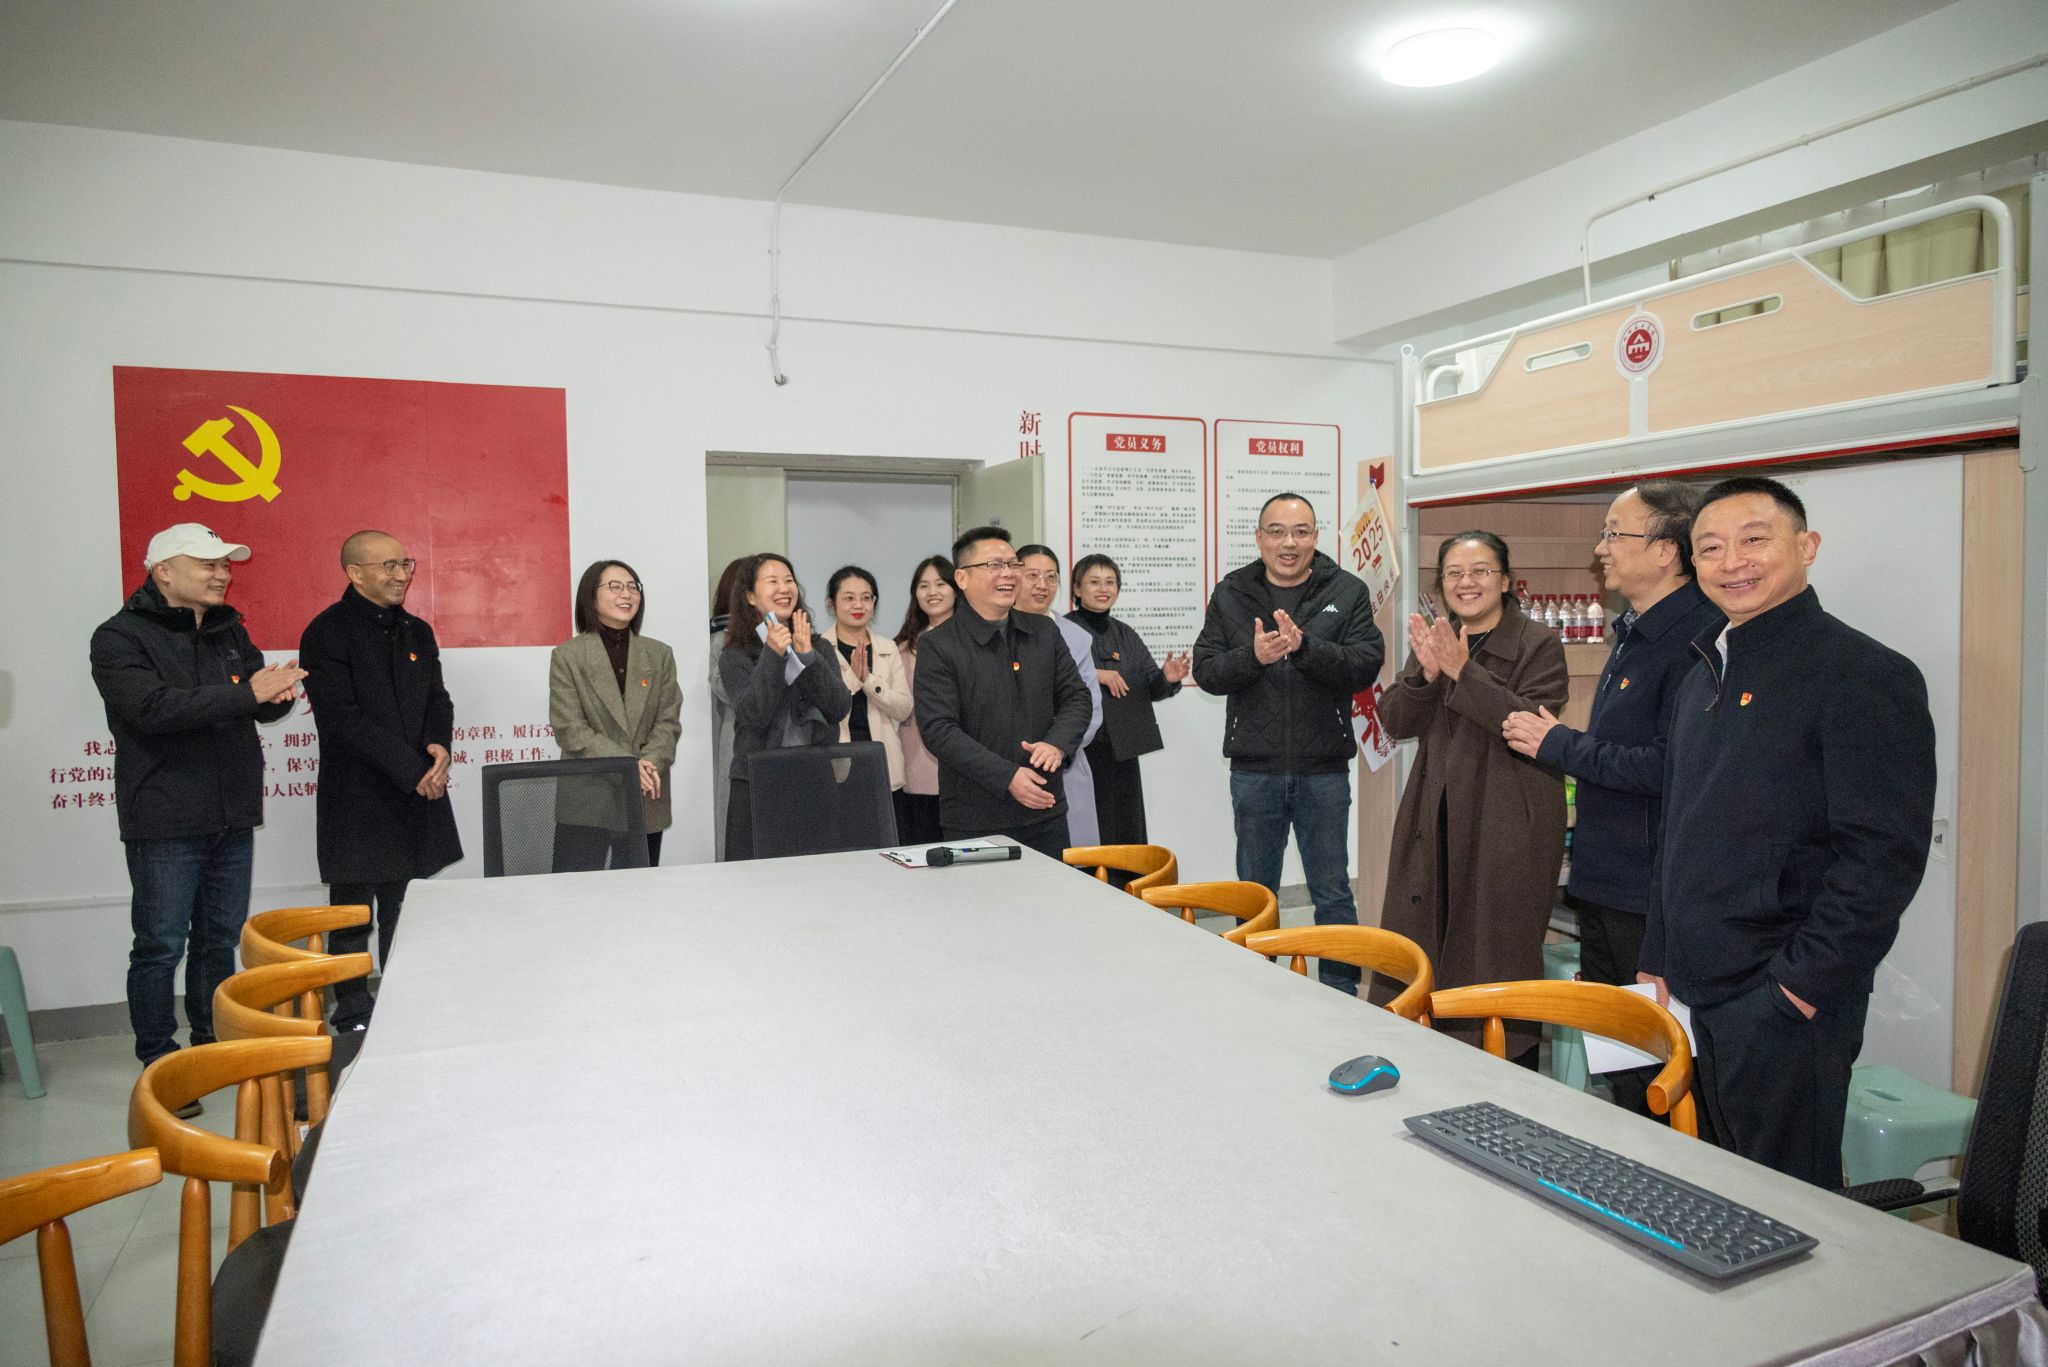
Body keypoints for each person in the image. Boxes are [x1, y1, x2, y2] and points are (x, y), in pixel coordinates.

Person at [1640, 476, 1934, 1187]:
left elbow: (1882, 858)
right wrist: (1658, 952)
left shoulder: (1863, 673)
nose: (1732, 561)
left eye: (1754, 539)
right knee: (1723, 1186)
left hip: (1781, 998)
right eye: (1711, 547)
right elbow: (1679, 823)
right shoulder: (1703, 672)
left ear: (1807, 547)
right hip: (1699, 985)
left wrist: (1797, 986)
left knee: (1790, 1203)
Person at [1499, 483, 1720, 1113]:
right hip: (1606, 881)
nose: (1601, 549)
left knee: (1657, 1073)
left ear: (1667, 550)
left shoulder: (1698, 640)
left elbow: (1670, 768)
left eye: (1614, 534)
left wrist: (1562, 746)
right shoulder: (1636, 631)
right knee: (1620, 1060)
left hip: (1649, 893)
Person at [90, 523, 304, 1111]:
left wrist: (274, 696)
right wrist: (249, 693)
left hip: (231, 814)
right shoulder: (118, 637)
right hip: (165, 816)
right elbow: (152, 709)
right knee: (160, 945)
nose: (222, 574)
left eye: (225, 565)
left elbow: (250, 704)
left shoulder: (229, 629)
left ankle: (211, 1045)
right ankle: (160, 1061)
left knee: (217, 940)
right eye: (207, 564)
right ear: (163, 572)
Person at [1378, 531, 1567, 1060]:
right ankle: (1429, 1053)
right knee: (1426, 935)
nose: (1467, 582)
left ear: (1505, 581)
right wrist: (1425, 677)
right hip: (1435, 811)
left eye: (1481, 571)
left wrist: (1463, 673)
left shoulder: (1538, 644)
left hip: (1505, 817)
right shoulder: (1443, 638)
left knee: (1494, 946)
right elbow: (1396, 721)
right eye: (1454, 573)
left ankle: (1506, 1063)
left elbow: (1527, 723)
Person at [1193, 494, 1384, 994]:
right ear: (1259, 538)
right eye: (1276, 531)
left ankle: (1341, 994)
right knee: (1255, 895)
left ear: (1315, 537)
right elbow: (1206, 670)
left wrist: (1306, 648)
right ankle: (1256, 991)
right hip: (1254, 770)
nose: (1289, 543)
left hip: (1324, 770)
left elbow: (1365, 664)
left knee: (1333, 893)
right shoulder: (1232, 591)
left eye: (1300, 532)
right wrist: (1253, 657)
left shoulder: (1346, 590)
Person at [300, 530, 463, 1032]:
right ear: (355, 573)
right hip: (359, 797)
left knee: (406, 910)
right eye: (388, 566)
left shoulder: (416, 631)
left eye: (405, 564)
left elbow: (438, 699)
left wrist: (438, 747)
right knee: (353, 915)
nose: (401, 575)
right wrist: (414, 772)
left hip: (416, 793)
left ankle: (402, 1005)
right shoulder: (327, 633)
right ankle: (352, 1010)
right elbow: (343, 720)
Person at [912, 527, 1092, 858]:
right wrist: (1007, 776)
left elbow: (1077, 697)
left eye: (1012, 564)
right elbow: (939, 730)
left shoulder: (1044, 631)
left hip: (1045, 807)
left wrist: (1057, 744)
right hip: (976, 816)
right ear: (962, 578)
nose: (1008, 573)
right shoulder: (938, 645)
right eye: (994, 565)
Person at [548, 559, 683, 869]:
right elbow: (570, 729)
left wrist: (648, 762)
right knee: (576, 892)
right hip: (588, 798)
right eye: (615, 587)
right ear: (591, 596)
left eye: (633, 587)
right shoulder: (567, 656)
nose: (627, 594)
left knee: (638, 893)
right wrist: (627, 765)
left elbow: (668, 722)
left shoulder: (659, 654)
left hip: (645, 796)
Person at [717, 552, 849, 860]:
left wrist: (807, 657)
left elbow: (839, 707)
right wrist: (772, 655)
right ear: (750, 596)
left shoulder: (818, 646)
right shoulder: (735, 655)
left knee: (815, 874)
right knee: (753, 878)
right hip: (758, 784)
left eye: (789, 580)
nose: (784, 588)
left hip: (815, 780)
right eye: (772, 581)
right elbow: (753, 715)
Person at [1067, 552, 1190, 853]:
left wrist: (1168, 678)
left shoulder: (1126, 634)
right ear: (1077, 589)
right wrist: (1096, 674)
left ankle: (1128, 882)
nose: (1103, 588)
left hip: (1124, 748)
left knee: (1126, 829)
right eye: (1094, 582)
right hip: (1082, 748)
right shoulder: (1064, 629)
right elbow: (1050, 677)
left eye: (1110, 582)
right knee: (1090, 830)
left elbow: (1150, 687)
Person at [1015, 545, 1104, 845]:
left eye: (1051, 577)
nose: (1042, 585)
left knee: (1069, 859)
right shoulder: (995, 630)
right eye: (1033, 575)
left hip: (1065, 765)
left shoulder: (1076, 637)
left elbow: (1091, 708)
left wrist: (1056, 747)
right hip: (1010, 767)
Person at [825, 565, 915, 819]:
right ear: (831, 604)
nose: (858, 605)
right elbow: (826, 707)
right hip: (838, 760)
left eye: (866, 597)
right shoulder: (820, 648)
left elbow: (904, 709)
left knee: (886, 833)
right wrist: (854, 677)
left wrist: (869, 681)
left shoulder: (888, 648)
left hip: (881, 759)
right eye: (849, 598)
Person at [891, 555, 956, 846]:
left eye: (940, 584)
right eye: (923, 585)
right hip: (917, 768)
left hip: (966, 772)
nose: (932, 592)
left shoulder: (973, 641)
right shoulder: (902, 649)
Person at [707, 555, 750, 860]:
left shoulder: (784, 634)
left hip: (780, 747)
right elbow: (732, 694)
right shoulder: (720, 640)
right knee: (734, 830)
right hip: (735, 744)